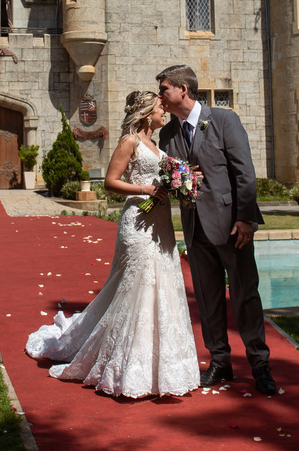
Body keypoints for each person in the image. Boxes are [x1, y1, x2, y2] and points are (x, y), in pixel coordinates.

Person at [25, 90, 200, 399]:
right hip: (138, 223)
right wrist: (147, 188)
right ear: (147, 114)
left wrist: (184, 181)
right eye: (161, 108)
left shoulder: (156, 147)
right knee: (137, 287)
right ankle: (124, 364)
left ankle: (160, 364)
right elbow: (110, 181)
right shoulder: (129, 142)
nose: (165, 112)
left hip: (160, 224)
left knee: (162, 286)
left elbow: (165, 180)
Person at [156, 64, 278, 396]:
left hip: (230, 227)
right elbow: (172, 178)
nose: (160, 96)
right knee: (208, 300)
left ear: (183, 89)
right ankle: (220, 362)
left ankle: (260, 364)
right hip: (195, 230)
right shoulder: (167, 135)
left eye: (164, 89)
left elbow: (245, 174)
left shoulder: (224, 120)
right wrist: (175, 183)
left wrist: (245, 219)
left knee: (245, 296)